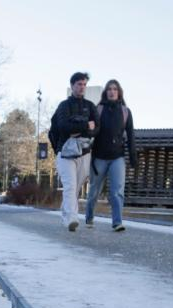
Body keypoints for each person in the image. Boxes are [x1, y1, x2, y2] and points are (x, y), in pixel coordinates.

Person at [84, 79, 137, 231]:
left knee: (117, 191)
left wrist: (133, 158)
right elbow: (90, 131)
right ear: (106, 92)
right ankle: (89, 217)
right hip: (99, 157)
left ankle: (117, 222)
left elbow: (131, 136)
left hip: (117, 158)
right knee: (94, 191)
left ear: (119, 92)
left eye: (115, 89)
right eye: (109, 89)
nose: (112, 91)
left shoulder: (126, 112)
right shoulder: (98, 109)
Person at [49, 72, 98, 231]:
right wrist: (85, 126)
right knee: (70, 186)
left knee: (75, 188)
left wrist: (80, 129)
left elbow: (96, 128)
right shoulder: (64, 106)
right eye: (79, 84)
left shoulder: (90, 106)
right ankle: (71, 218)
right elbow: (63, 126)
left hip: (84, 152)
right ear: (72, 86)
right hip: (65, 152)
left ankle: (66, 215)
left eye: (84, 84)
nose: (82, 87)